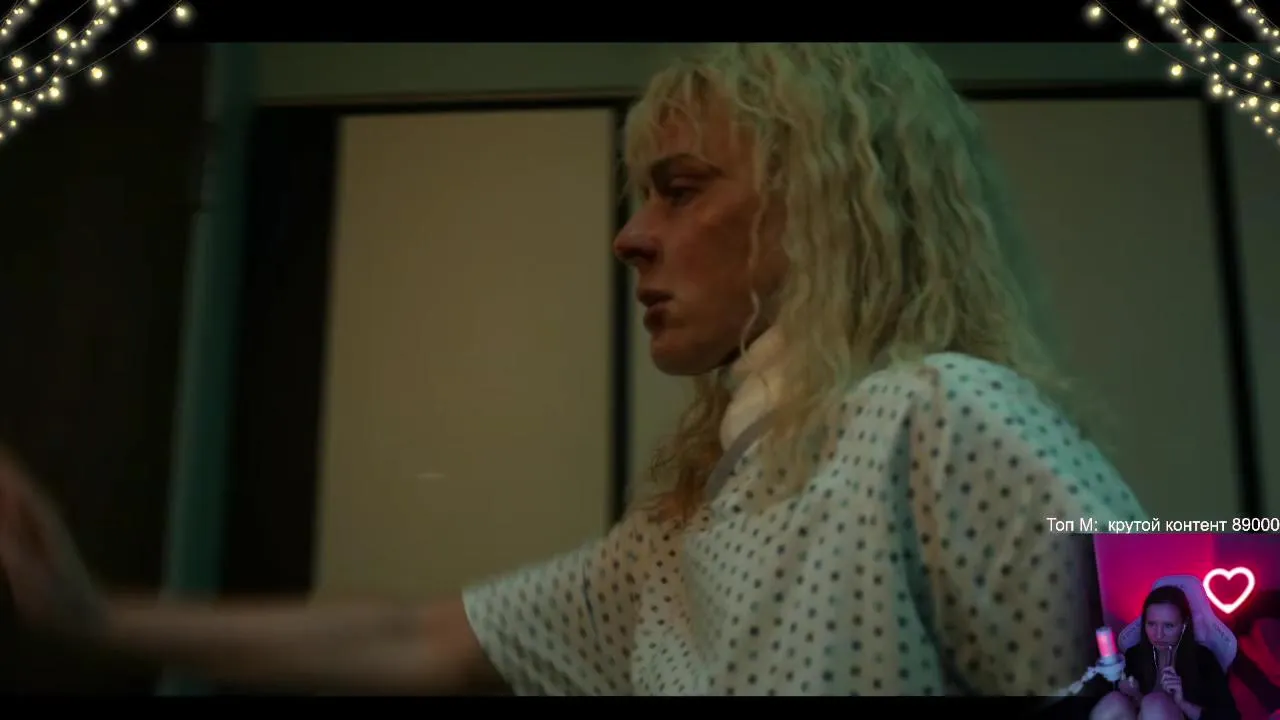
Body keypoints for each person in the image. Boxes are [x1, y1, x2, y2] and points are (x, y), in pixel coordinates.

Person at [0, 43, 1148, 695]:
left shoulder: (944, 411)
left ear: (822, 205)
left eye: (680, 190)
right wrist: (96, 621)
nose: (629, 237)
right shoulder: (682, 523)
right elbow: (421, 640)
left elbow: (1216, 681)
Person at [1089, 586, 1240, 720]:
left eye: (1168, 626)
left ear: (1184, 625)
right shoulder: (1135, 655)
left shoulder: (1202, 660)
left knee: (1156, 703)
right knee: (1114, 701)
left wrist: (1182, 703)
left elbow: (1230, 717)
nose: (1159, 635)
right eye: (1152, 624)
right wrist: (1134, 695)